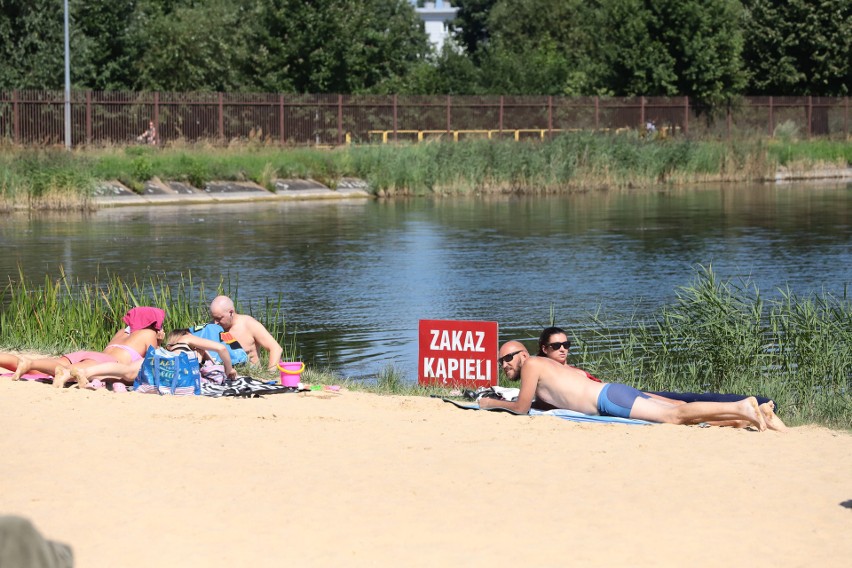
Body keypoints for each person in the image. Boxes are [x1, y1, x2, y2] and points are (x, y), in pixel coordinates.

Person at [488, 341, 786, 432]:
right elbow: (550, 400)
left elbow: (521, 408)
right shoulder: (546, 367)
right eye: (502, 362)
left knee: (676, 417)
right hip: (613, 392)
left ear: (523, 354)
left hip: (609, 399)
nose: (505, 365)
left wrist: (490, 403)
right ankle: (748, 416)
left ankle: (740, 406)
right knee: (681, 412)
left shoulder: (531, 365)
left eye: (508, 359)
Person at [535, 327, 775, 409]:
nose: (564, 349)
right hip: (616, 399)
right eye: (557, 346)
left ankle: (761, 402)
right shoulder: (547, 377)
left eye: (566, 344)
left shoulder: (567, 370)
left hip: (623, 393)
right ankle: (753, 405)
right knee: (684, 403)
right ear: (544, 350)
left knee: (689, 397)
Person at [0, 307, 165, 386]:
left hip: (87, 354)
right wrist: (159, 341)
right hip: (104, 361)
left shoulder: (122, 331)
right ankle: (30, 363)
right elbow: (154, 361)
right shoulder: (148, 334)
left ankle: (27, 363)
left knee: (43, 368)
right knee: (66, 372)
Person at [63, 328, 238, 390]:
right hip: (169, 365)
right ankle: (83, 373)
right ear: (185, 334)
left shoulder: (171, 345)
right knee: (128, 375)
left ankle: (84, 372)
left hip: (159, 356)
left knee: (126, 372)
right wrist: (229, 370)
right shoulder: (187, 339)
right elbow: (222, 348)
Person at [202, 296, 282, 372]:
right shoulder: (211, 328)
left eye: (219, 318)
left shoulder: (249, 324)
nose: (215, 323)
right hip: (225, 379)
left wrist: (270, 374)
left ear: (231, 312)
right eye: (213, 318)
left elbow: (275, 348)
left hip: (252, 377)